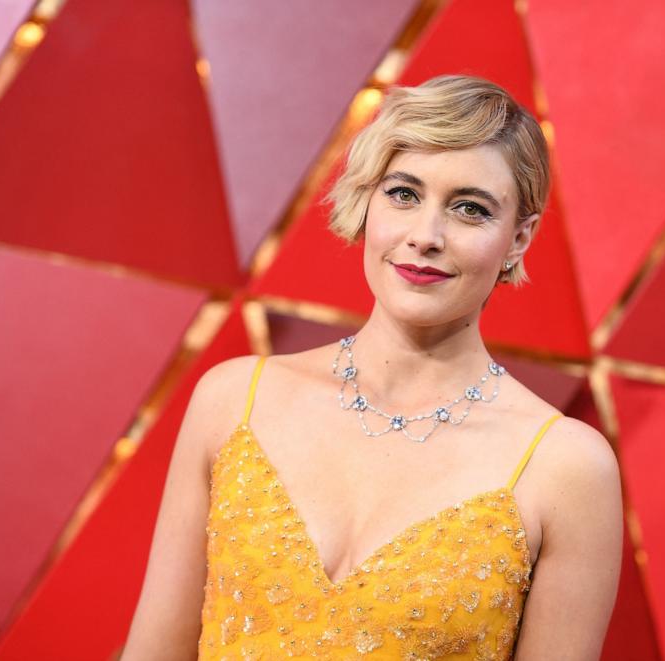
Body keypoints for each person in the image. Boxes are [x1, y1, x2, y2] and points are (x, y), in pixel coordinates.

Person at [121, 75, 622, 660]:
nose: (425, 236)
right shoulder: (234, 399)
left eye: (469, 209)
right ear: (367, 200)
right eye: (404, 194)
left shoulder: (565, 467)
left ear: (518, 239)